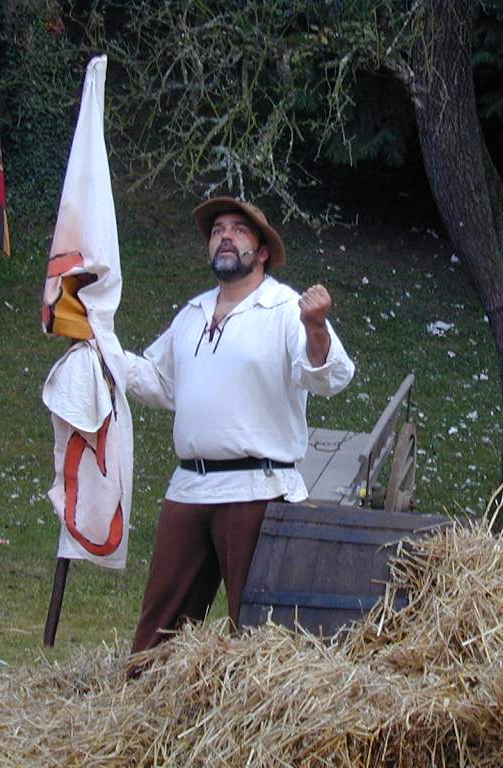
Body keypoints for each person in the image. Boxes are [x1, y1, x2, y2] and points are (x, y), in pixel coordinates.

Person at [124, 197, 355, 672]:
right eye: (217, 231)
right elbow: (161, 382)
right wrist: (99, 345)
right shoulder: (192, 314)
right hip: (189, 489)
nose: (225, 237)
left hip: (258, 489)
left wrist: (315, 327)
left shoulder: (285, 308)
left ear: (262, 251)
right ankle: (142, 706)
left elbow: (328, 376)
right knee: (157, 635)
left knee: (258, 636)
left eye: (238, 230)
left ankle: (258, 715)